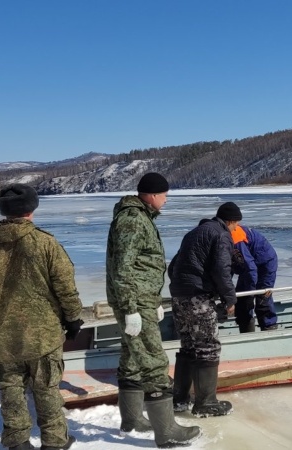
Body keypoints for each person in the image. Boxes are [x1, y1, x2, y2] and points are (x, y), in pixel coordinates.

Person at [0, 183, 83, 450]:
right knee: (46, 388)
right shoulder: (45, 243)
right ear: (31, 209)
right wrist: (73, 318)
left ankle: (17, 442)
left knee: (11, 390)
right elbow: (65, 286)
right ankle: (55, 441)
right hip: (42, 334)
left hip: (4, 336)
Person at [105, 172, 200, 447]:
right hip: (134, 301)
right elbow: (122, 268)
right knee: (153, 360)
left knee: (133, 358)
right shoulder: (133, 220)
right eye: (164, 195)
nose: (166, 200)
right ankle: (167, 430)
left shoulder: (139, 217)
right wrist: (130, 308)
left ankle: (133, 419)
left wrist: (154, 301)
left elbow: (141, 266)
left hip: (142, 299)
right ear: (152, 195)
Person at [167, 203, 239, 417]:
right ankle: (206, 403)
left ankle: (180, 399)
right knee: (208, 346)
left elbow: (173, 267)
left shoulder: (193, 233)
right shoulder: (221, 235)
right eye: (236, 226)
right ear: (231, 222)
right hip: (198, 296)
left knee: (189, 345)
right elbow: (221, 270)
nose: (235, 230)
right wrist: (229, 298)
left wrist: (183, 288)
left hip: (179, 296)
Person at [227, 205, 279, 333]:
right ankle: (246, 331)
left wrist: (250, 292)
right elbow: (226, 268)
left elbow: (250, 269)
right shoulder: (219, 235)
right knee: (242, 300)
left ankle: (269, 329)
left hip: (264, 264)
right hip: (247, 265)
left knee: (262, 297)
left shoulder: (236, 239)